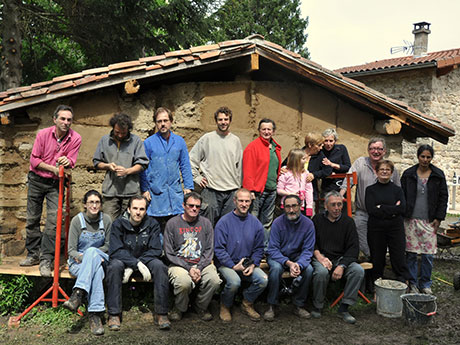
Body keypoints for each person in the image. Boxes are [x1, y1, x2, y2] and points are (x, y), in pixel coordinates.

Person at [20, 104, 82, 278]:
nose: (66, 122)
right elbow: (34, 161)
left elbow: (72, 160)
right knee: (32, 217)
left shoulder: (75, 138)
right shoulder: (43, 134)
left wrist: (66, 161)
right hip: (37, 179)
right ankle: (33, 254)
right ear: (55, 119)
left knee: (53, 222)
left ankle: (46, 259)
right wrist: (53, 169)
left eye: (69, 120)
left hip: (56, 183)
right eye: (62, 119)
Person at [106, 196, 171, 330]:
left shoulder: (152, 224)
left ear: (146, 211)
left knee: (160, 267)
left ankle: (162, 313)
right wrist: (134, 264)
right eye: (135, 208)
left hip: (146, 259)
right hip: (124, 260)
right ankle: (114, 314)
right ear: (129, 209)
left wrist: (140, 263)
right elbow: (115, 250)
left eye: (142, 209)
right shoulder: (118, 224)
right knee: (114, 266)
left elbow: (156, 249)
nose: (138, 212)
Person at [164, 192, 222, 321]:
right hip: (179, 263)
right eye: (191, 205)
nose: (194, 209)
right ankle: (180, 308)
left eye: (197, 206)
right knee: (183, 282)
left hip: (201, 263)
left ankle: (201, 306)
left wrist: (199, 267)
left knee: (214, 280)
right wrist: (188, 268)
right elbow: (169, 253)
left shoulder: (206, 223)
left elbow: (208, 250)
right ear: (184, 205)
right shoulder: (172, 224)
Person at [214, 188, 268, 322]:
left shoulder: (255, 223)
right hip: (227, 263)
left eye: (247, 201)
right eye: (241, 201)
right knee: (234, 281)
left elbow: (259, 248)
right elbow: (219, 249)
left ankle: (247, 302)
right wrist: (232, 265)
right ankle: (225, 305)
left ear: (251, 202)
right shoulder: (224, 222)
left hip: (247, 263)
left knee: (263, 279)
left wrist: (254, 263)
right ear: (235, 201)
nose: (244, 204)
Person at [341, 137, 400, 258]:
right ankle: (374, 260)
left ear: (384, 151)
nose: (376, 151)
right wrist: (340, 194)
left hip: (384, 214)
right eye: (373, 148)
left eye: (379, 149)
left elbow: (398, 190)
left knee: (382, 242)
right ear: (368, 150)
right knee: (361, 238)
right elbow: (348, 180)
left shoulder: (390, 167)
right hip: (363, 212)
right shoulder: (360, 162)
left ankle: (379, 263)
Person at [63, 190, 112, 335]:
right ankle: (95, 315)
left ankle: (78, 293)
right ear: (85, 204)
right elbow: (71, 250)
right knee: (97, 271)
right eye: (91, 202)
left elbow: (108, 246)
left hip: (100, 258)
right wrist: (89, 258)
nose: (94, 205)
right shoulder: (77, 221)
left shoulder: (107, 220)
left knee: (92, 252)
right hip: (78, 263)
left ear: (101, 205)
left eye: (97, 202)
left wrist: (93, 254)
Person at [311, 191, 364, 324]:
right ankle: (318, 305)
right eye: (333, 205)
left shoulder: (348, 222)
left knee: (358, 271)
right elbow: (311, 243)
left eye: (339, 204)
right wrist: (320, 258)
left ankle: (344, 307)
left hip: (341, 258)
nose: (336, 208)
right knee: (321, 272)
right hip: (321, 256)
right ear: (326, 206)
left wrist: (342, 265)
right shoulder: (317, 220)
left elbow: (353, 248)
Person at [401, 144, 448, 294]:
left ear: (431, 158)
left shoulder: (438, 175)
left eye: (428, 157)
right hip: (410, 219)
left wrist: (439, 218)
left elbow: (443, 197)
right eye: (423, 156)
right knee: (412, 253)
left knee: (428, 255)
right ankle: (412, 283)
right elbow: (401, 195)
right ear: (418, 156)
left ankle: (426, 283)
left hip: (429, 220)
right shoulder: (408, 174)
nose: (425, 160)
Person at [140, 107, 194, 229]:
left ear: (171, 121)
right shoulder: (149, 143)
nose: (163, 124)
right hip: (156, 192)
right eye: (159, 121)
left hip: (175, 192)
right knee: (156, 227)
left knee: (176, 226)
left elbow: (185, 164)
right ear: (155, 123)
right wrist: (144, 189)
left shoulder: (179, 141)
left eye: (165, 120)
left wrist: (188, 187)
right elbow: (143, 168)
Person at [264, 195, 315, 321]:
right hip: (278, 256)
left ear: (300, 206)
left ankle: (298, 305)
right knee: (275, 269)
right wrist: (288, 263)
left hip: (297, 256)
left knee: (308, 270)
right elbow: (272, 249)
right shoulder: (277, 223)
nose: (291, 210)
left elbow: (308, 250)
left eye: (294, 206)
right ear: (284, 208)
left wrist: (299, 264)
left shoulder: (308, 224)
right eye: (287, 207)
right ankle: (272, 305)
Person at [189, 106, 242, 226]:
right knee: (207, 225)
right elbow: (191, 159)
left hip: (231, 191)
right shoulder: (207, 139)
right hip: (211, 190)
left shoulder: (235, 141)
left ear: (230, 121)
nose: (223, 122)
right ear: (216, 121)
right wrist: (196, 177)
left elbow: (239, 167)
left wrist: (239, 188)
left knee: (228, 226)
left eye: (226, 119)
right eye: (220, 119)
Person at [93, 113, 149, 220]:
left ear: (129, 129)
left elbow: (142, 164)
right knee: (109, 223)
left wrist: (127, 171)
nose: (120, 135)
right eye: (117, 132)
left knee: (131, 223)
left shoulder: (136, 141)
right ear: (113, 127)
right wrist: (108, 166)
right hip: (111, 191)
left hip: (131, 191)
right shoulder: (105, 141)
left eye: (123, 133)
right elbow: (96, 162)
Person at [365, 160, 410, 287]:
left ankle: (403, 284)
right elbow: (371, 210)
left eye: (387, 169)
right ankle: (376, 285)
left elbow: (402, 209)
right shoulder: (370, 190)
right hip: (376, 229)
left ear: (391, 172)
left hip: (395, 228)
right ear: (376, 171)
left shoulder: (397, 190)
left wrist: (382, 207)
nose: (384, 172)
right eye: (381, 169)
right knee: (377, 257)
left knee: (398, 256)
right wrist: (392, 209)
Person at [243, 118, 281, 247]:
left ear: (273, 131)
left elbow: (274, 167)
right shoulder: (253, 147)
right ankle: (250, 247)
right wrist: (250, 191)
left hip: (271, 190)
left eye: (269, 129)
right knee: (253, 221)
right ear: (259, 131)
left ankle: (264, 248)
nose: (266, 132)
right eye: (263, 129)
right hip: (258, 191)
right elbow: (248, 170)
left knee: (267, 222)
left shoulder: (275, 148)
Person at [277, 148, 314, 217]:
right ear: (296, 160)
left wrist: (309, 206)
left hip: (300, 206)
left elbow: (309, 190)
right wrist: (290, 194)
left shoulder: (306, 173)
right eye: (303, 159)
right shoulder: (286, 173)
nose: (306, 161)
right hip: (287, 206)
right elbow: (279, 190)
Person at [320, 128, 351, 194]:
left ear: (335, 141)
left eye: (331, 141)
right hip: (326, 186)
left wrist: (332, 164)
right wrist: (327, 172)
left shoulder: (341, 149)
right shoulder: (320, 150)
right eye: (326, 141)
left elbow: (347, 167)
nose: (328, 144)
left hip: (340, 185)